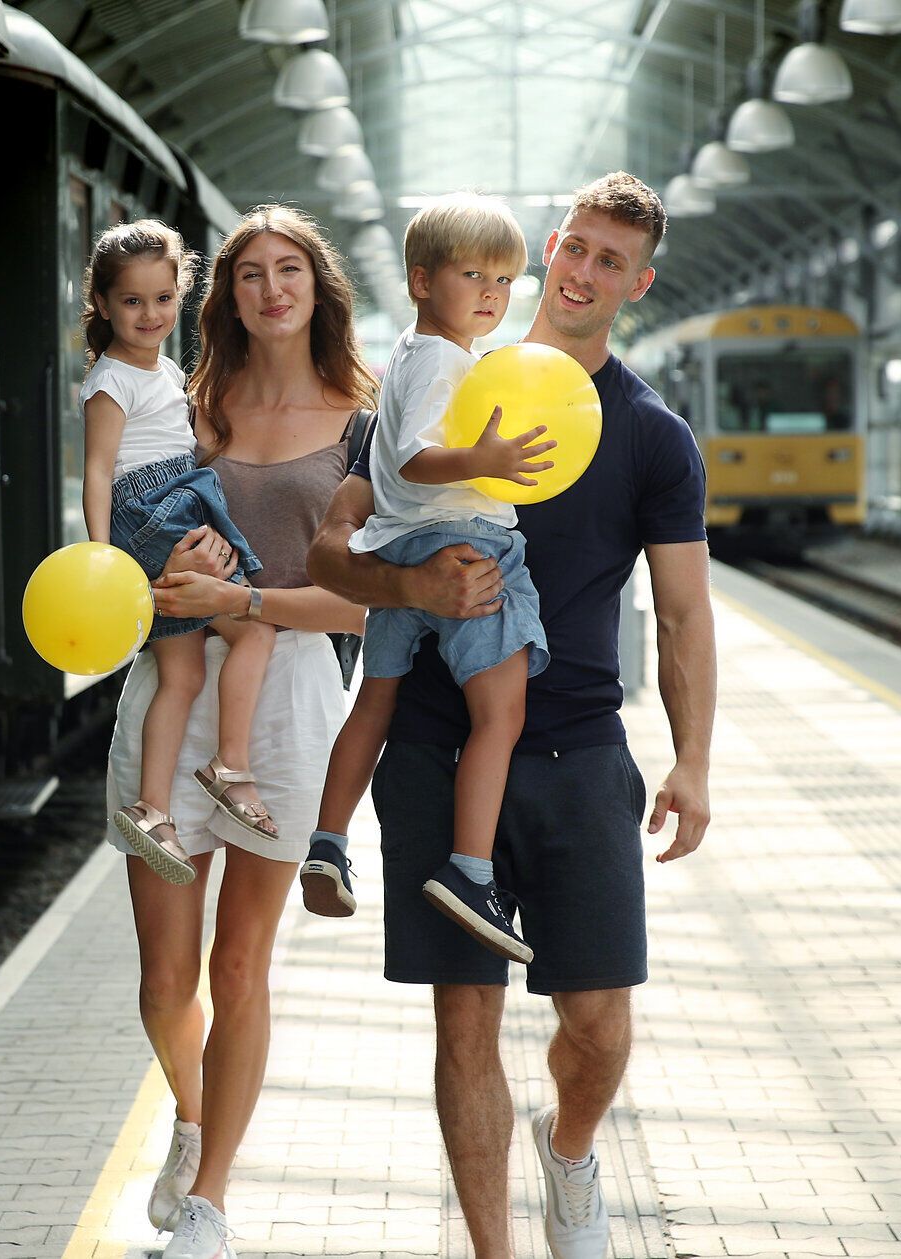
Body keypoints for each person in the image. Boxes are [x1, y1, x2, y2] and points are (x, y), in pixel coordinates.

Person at [307, 172, 716, 1259]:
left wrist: (696, 760)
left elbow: (682, 613)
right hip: (437, 742)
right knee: (464, 1018)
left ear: (640, 281)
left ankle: (570, 1147)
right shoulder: (428, 388)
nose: (584, 273)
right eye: (574, 248)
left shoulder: (651, 434)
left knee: (598, 1023)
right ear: (550, 246)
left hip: (580, 744)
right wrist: (408, 590)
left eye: (611, 261)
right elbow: (327, 550)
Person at [101, 205, 375, 1259]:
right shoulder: (186, 403)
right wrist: (164, 594)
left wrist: (252, 607)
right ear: (227, 297)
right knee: (165, 980)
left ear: (317, 286)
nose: (270, 287)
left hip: (291, 694)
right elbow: (127, 547)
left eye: (289, 268)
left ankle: (209, 1201)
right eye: (250, 272)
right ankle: (191, 1112)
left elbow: (370, 602)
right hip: (174, 683)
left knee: (242, 965)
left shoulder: (363, 418)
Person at [298, 193, 554, 970]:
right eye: (472, 273)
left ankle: (328, 842)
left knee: (374, 702)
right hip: (469, 549)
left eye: (505, 279)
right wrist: (484, 462)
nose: (490, 292)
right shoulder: (445, 359)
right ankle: (471, 872)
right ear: (419, 280)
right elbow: (413, 456)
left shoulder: (412, 353)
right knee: (500, 715)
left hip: (401, 552)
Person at [80, 220, 281, 885]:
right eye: (133, 301)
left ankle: (153, 806)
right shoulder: (112, 380)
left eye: (163, 299)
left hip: (177, 501)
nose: (150, 314)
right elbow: (99, 470)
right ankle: (228, 766)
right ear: (104, 304)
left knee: (184, 673)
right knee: (252, 627)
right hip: (150, 512)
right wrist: (103, 561)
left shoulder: (162, 368)